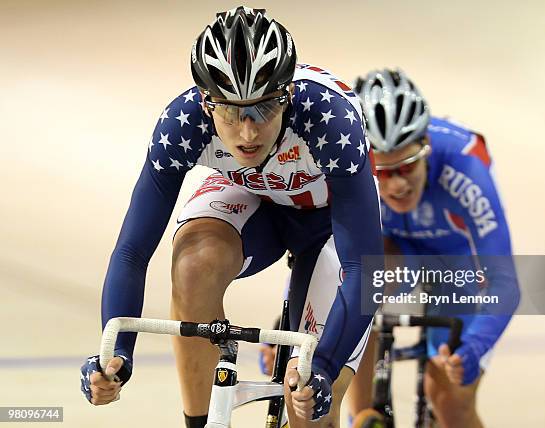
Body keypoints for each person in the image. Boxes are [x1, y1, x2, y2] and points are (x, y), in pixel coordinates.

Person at [79, 7, 383, 428]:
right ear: (206, 102)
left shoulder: (331, 123)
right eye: (229, 112)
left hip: (327, 219)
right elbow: (132, 251)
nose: (247, 132)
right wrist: (116, 353)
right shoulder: (182, 123)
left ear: (288, 96)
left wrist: (325, 369)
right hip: (251, 194)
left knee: (310, 412)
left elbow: (363, 269)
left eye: (263, 110)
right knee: (192, 266)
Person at [260, 68, 520, 428]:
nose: (397, 184)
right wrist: (288, 330)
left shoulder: (464, 164)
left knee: (449, 397)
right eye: (384, 171)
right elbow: (320, 253)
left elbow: (505, 280)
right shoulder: (345, 163)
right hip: (391, 252)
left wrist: (474, 347)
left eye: (408, 166)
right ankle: (363, 416)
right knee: (356, 289)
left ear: (426, 145)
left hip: (458, 264)